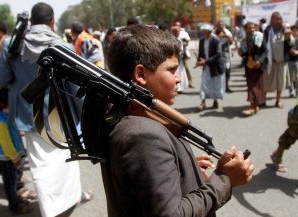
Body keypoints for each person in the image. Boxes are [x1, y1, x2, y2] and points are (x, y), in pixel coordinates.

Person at [102, 24, 254, 217]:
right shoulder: (142, 135)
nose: (178, 79)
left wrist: (186, 168)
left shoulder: (134, 115)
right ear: (140, 74)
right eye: (171, 70)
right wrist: (225, 180)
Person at [0, 3, 91, 217]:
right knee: (65, 160)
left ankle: (50, 208)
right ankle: (69, 199)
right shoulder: (61, 46)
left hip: (29, 117)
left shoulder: (12, 45)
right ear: (52, 21)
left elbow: (1, 79)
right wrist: (84, 117)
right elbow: (75, 87)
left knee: (40, 166)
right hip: (61, 117)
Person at [0, 85, 32, 215]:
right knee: (10, 182)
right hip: (7, 158)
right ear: (1, 102)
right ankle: (15, 204)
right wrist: (15, 158)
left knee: (10, 179)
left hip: (0, 156)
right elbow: (6, 143)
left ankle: (15, 195)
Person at [263, 12, 294, 108]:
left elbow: (291, 43)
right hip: (270, 61)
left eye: (280, 19)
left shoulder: (285, 29)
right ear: (272, 19)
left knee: (281, 83)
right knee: (266, 82)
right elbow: (264, 44)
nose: (278, 21)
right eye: (276, 19)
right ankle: (263, 100)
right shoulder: (268, 30)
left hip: (282, 61)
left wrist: (288, 35)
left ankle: (278, 101)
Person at [238, 22, 267, 116]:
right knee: (251, 85)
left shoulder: (260, 37)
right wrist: (240, 52)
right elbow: (244, 53)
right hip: (248, 65)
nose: (252, 30)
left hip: (257, 65)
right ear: (245, 29)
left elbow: (266, 51)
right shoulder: (244, 39)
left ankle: (252, 106)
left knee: (254, 86)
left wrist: (260, 61)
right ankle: (255, 105)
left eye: (253, 28)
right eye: (249, 28)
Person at [195, 23, 225, 110]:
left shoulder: (216, 40)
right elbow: (201, 53)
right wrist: (198, 61)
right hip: (206, 67)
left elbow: (218, 54)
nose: (203, 33)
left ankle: (215, 101)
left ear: (210, 32)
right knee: (204, 84)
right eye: (202, 32)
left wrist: (206, 61)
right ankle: (203, 102)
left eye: (205, 32)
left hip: (215, 67)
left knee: (215, 85)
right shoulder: (201, 40)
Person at [214, 20, 233, 93]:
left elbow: (231, 42)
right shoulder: (214, 33)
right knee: (217, 70)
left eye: (222, 25)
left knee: (227, 70)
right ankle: (219, 86)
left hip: (226, 53)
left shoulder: (227, 32)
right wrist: (218, 37)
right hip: (216, 53)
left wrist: (225, 35)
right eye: (219, 25)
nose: (220, 26)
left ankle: (227, 86)